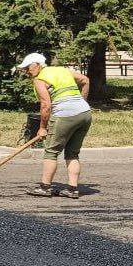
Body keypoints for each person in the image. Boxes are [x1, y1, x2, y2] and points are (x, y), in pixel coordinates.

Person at [17, 52, 93, 199]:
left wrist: (42, 128)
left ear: (37, 65)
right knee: (72, 153)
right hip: (84, 113)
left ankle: (45, 187)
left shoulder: (40, 79)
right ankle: (72, 189)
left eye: (28, 67)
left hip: (64, 116)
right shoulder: (61, 70)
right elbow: (85, 80)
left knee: (51, 152)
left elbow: (46, 106)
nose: (27, 71)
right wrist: (81, 102)